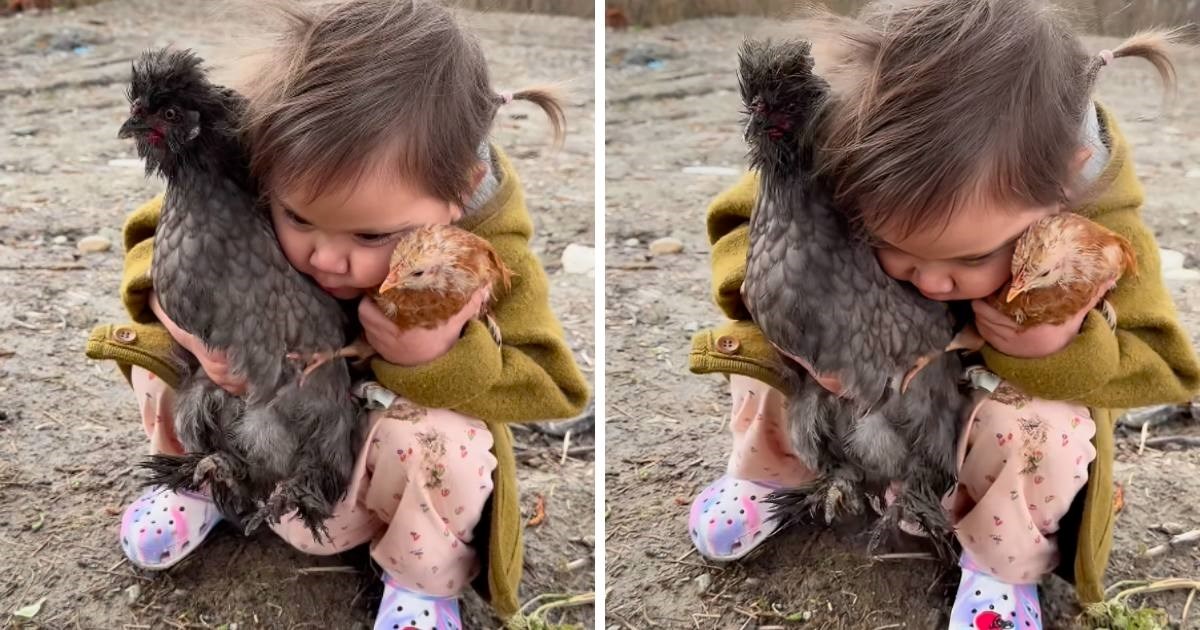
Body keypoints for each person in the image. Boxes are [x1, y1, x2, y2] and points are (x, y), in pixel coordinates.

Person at [687, 0, 1200, 626]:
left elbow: (1162, 365)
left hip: (968, 396)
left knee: (1036, 427)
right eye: (892, 245)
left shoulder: (1096, 224)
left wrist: (1057, 344)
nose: (930, 278)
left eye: (971, 255)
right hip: (850, 365)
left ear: (1065, 183)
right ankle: (770, 470)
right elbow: (741, 224)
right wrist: (791, 316)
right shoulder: (846, 139)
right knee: (762, 353)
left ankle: (1001, 562)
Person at [85, 1, 589, 627]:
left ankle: (420, 578)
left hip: (359, 461)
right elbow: (148, 243)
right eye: (297, 218)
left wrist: (433, 358)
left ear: (461, 191)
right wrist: (192, 331)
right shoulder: (255, 167)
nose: (327, 256)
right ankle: (203, 481)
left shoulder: (487, 255)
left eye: (372, 236)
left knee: (438, 440)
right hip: (249, 422)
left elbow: (554, 385)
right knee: (155, 352)